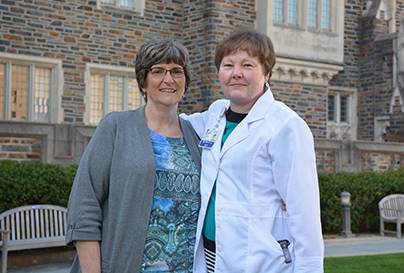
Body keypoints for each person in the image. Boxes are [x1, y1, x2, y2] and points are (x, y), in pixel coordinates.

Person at [182, 28, 324, 273]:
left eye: (247, 65)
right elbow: (171, 123)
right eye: (228, 65)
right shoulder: (215, 115)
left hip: (260, 261)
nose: (236, 74)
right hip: (210, 256)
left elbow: (305, 213)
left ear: (266, 72)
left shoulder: (286, 125)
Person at [66, 40, 201, 273]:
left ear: (185, 81)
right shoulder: (116, 127)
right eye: (158, 71)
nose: (168, 79)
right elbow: (84, 205)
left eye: (176, 71)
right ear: (143, 81)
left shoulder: (196, 136)